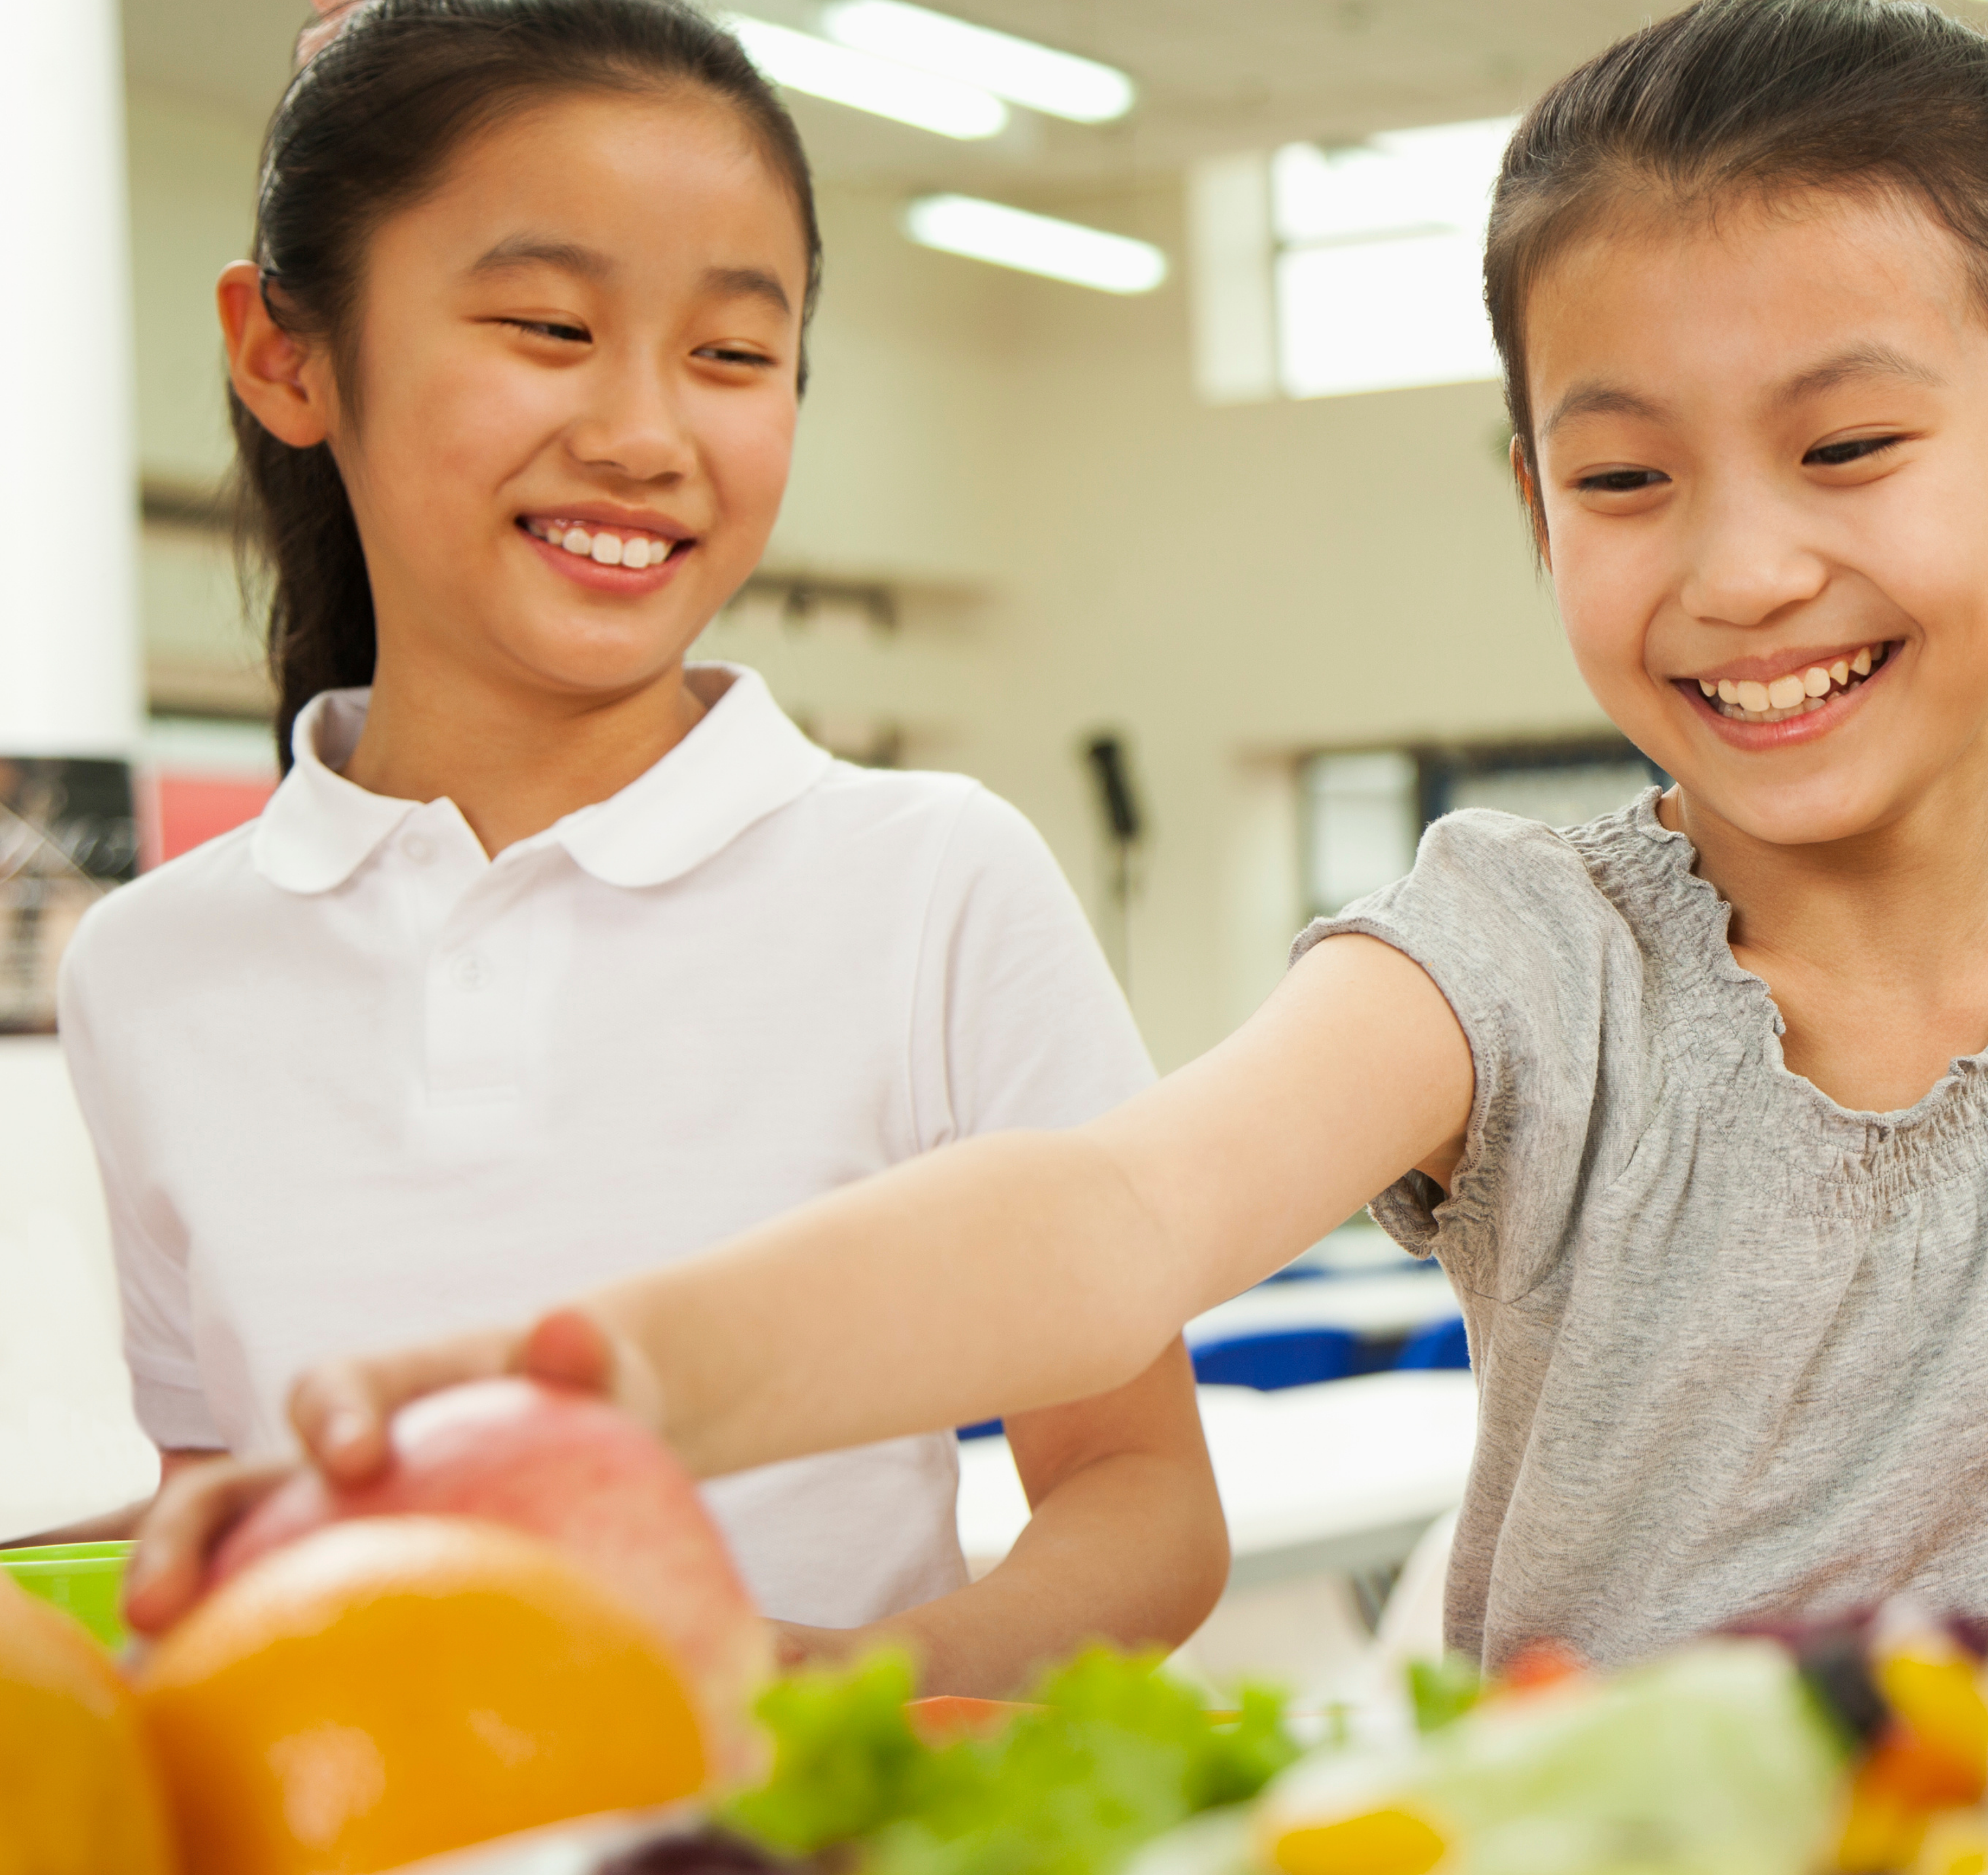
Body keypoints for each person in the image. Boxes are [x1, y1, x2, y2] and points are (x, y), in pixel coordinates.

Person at [127, 0, 1988, 1667]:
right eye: (1622, 476)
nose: (1735, 567)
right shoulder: (1513, 949)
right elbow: (1107, 1215)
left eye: (1842, 450)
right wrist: (600, 1371)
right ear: (1535, 505)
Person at [63, 0, 1222, 1695]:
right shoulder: (151, 969)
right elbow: (209, 1506)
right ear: (286, 352)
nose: (645, 431)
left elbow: (1140, 1493)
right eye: (548, 324)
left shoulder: (931, 883)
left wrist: (863, 1689)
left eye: (735, 355)